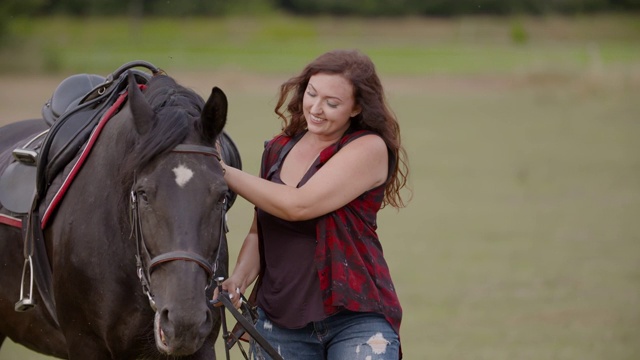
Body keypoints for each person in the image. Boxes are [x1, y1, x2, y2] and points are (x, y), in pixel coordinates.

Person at [217, 49, 410, 360]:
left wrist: (220, 169)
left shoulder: (369, 148)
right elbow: (260, 231)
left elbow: (298, 206)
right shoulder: (277, 149)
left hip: (355, 319)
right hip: (277, 320)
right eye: (311, 94)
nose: (316, 109)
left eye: (332, 103)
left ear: (356, 107)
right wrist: (238, 279)